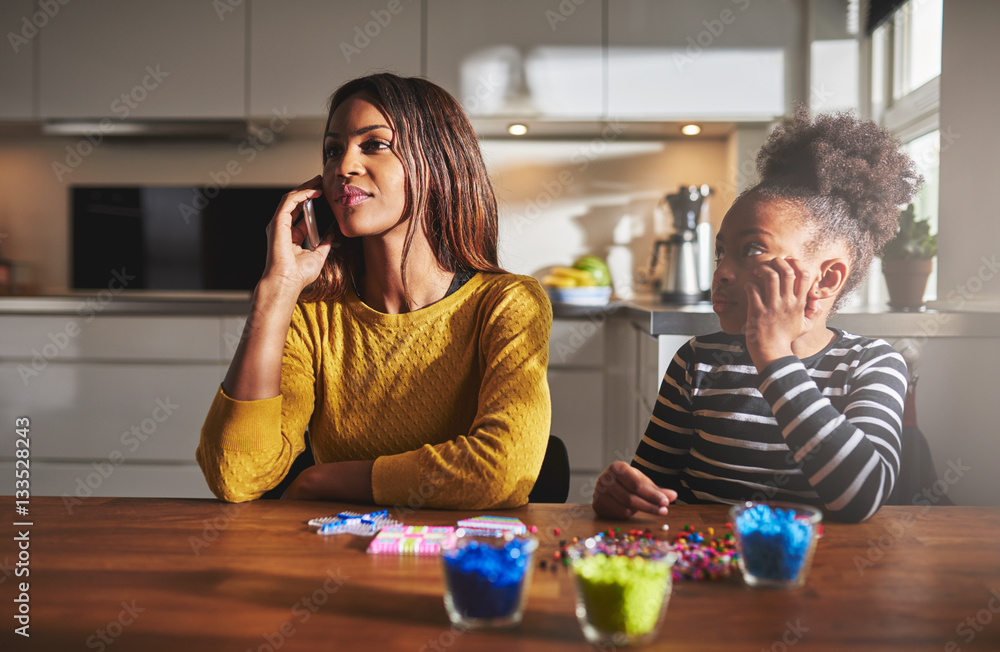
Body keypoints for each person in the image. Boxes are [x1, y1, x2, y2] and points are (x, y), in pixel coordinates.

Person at [196, 73, 552, 509]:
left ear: (436, 161)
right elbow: (236, 475)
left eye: (373, 144)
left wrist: (323, 480)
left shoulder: (508, 304)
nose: (343, 166)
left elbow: (503, 470)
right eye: (332, 150)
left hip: (458, 568)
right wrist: (276, 292)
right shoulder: (313, 314)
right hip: (334, 562)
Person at [593, 108, 922, 523]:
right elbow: (651, 488)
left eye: (751, 249)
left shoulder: (872, 364)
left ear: (826, 279)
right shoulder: (696, 361)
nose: (722, 271)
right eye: (721, 252)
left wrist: (773, 356)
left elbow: (860, 497)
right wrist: (621, 494)